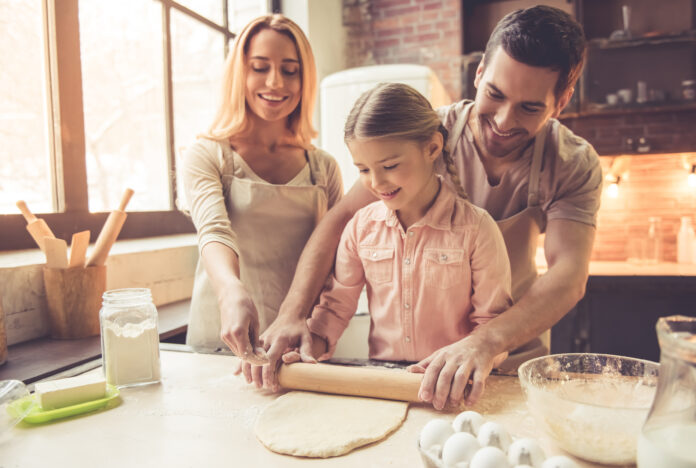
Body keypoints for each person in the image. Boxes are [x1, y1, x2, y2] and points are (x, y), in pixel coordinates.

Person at [242, 5, 603, 409]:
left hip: (510, 361)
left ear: (562, 101)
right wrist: (295, 313)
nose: (503, 120)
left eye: (529, 107)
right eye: (495, 95)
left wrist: (483, 344)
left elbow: (569, 275)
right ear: (479, 73)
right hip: (404, 377)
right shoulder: (421, 137)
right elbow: (341, 221)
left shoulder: (572, 162)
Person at [280, 83, 513, 409]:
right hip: (383, 387)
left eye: (389, 166)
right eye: (363, 170)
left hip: (451, 388)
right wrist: (307, 348)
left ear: (432, 148)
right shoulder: (361, 227)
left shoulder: (477, 229)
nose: (376, 183)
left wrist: (470, 359)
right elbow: (334, 309)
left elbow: (492, 324)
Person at [180, 14, 343, 365]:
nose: (275, 82)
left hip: (299, 346)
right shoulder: (209, 155)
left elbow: (336, 259)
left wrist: (320, 329)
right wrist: (230, 291)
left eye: (289, 70)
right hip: (219, 341)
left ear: (305, 78)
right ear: (240, 72)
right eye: (259, 67)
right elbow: (213, 231)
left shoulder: (324, 167)